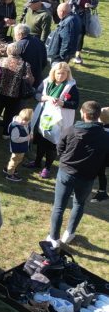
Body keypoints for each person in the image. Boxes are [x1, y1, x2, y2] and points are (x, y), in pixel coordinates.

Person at [47, 101, 109, 245]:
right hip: (87, 177)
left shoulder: (70, 130)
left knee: (59, 207)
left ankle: (53, 238)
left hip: (66, 173)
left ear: (83, 113)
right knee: (79, 204)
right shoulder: (105, 137)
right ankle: (69, 234)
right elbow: (107, 160)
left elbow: (60, 149)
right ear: (98, 116)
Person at [27, 62, 80, 179]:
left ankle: (47, 167)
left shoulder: (71, 86)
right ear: (54, 73)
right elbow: (36, 94)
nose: (60, 76)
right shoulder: (47, 82)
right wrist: (45, 98)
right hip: (45, 117)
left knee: (52, 144)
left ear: (68, 74)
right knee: (41, 140)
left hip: (59, 120)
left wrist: (62, 103)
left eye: (63, 74)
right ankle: (37, 162)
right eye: (58, 73)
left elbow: (75, 104)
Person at [0, 39, 34, 140]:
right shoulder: (25, 64)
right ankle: (6, 134)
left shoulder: (1, 61)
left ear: (8, 51)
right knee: (9, 115)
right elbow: (30, 80)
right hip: (14, 94)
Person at [68, 0, 98, 65]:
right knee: (73, 33)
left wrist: (90, 5)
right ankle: (70, 50)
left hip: (86, 17)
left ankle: (78, 54)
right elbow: (70, 4)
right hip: (75, 15)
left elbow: (95, 5)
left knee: (81, 34)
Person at [4, 108, 33, 182]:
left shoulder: (26, 124)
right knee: (14, 160)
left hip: (22, 146)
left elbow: (29, 129)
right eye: (23, 120)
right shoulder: (15, 127)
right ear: (19, 117)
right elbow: (15, 139)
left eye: (27, 121)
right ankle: (10, 174)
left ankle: (8, 168)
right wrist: (27, 138)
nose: (24, 122)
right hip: (17, 147)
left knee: (18, 159)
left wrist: (30, 133)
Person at [15, 23, 47, 90]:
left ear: (20, 34)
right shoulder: (39, 41)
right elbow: (45, 60)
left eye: (15, 34)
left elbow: (15, 63)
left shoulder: (20, 45)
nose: (15, 37)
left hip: (26, 78)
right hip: (38, 75)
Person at [91, 107, 109, 202]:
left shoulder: (100, 129)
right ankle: (102, 191)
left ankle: (102, 192)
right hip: (105, 156)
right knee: (101, 173)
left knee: (98, 172)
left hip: (101, 155)